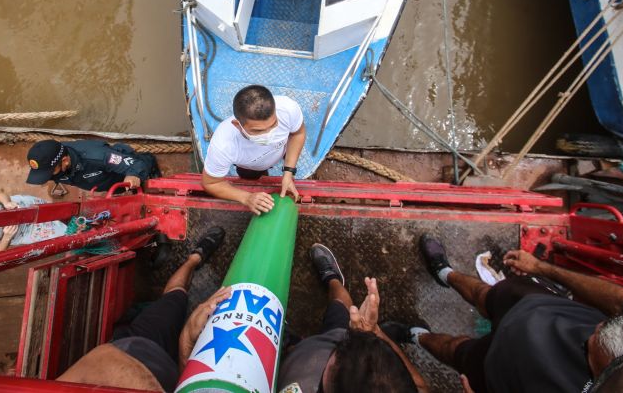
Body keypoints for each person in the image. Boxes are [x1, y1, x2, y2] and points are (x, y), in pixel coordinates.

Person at [414, 234, 623, 393]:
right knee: (486, 294)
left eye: (591, 349)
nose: (591, 332)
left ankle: (416, 336)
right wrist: (542, 268)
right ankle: (445, 274)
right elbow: (622, 300)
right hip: (539, 308)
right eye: (603, 327)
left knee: (457, 351)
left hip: (501, 372)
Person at [57, 226, 227, 391]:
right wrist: (186, 341)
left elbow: (99, 362)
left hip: (137, 346)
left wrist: (186, 342)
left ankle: (195, 258)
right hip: (176, 375)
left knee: (175, 296)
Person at [277, 243, 428, 393]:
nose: (351, 339)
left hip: (299, 368)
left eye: (341, 353)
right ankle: (332, 278)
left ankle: (289, 345)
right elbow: (421, 387)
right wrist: (374, 331)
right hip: (315, 357)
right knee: (341, 307)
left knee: (292, 352)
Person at [202, 85, 306, 215]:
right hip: (250, 164)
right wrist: (246, 197)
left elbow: (297, 134)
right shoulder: (223, 144)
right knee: (249, 176)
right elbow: (211, 183)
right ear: (237, 125)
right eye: (258, 131)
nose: (269, 135)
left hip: (282, 148)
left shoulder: (288, 109)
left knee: (290, 155)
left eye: (273, 125)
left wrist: (289, 172)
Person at [25, 139, 159, 192]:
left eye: (49, 172)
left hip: (120, 172)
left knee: (143, 166)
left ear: (65, 161)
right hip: (104, 183)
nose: (47, 177)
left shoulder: (97, 156)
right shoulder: (54, 164)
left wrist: (133, 175)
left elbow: (136, 164)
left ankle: (151, 168)